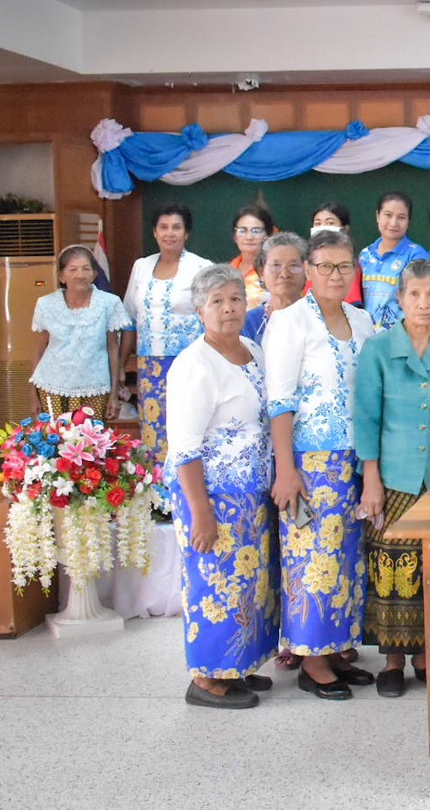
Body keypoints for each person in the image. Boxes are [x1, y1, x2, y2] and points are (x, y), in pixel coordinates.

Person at [352, 260, 430, 698]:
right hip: (393, 475)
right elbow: (366, 418)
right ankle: (391, 661)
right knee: (390, 567)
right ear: (400, 299)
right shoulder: (379, 349)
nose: (423, 303)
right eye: (414, 295)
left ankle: (425, 655)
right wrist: (371, 480)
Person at [265, 229, 377, 698]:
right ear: (308, 271)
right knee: (312, 559)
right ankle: (311, 658)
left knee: (347, 560)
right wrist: (286, 468)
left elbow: (370, 395)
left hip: (354, 461)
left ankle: (335, 647)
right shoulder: (290, 322)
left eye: (343, 266)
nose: (335, 274)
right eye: (325, 266)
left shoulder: (363, 320)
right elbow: (279, 401)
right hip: (310, 462)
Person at [166, 265, 279, 709]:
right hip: (210, 496)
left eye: (235, 298)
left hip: (249, 494)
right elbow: (185, 449)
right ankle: (207, 679)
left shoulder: (251, 348)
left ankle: (237, 668)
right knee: (214, 585)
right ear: (200, 310)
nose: (228, 308)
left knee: (246, 584)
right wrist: (202, 513)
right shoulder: (194, 365)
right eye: (217, 302)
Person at [124, 204, 214, 469]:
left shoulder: (201, 267)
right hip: (149, 368)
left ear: (186, 233)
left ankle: (188, 496)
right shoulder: (141, 266)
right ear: (154, 232)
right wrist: (121, 365)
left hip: (189, 364)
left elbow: (211, 319)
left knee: (188, 429)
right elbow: (130, 320)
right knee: (153, 433)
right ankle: (159, 502)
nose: (169, 233)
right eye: (163, 227)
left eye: (176, 227)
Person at [30, 245, 131, 419]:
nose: (80, 275)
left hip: (95, 387)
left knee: (91, 443)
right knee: (57, 441)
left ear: (94, 274)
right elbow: (39, 350)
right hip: (52, 386)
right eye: (73, 269)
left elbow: (113, 349)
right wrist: (32, 395)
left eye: (86, 269)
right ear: (62, 276)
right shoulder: (46, 305)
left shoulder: (109, 303)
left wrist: (114, 395)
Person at [359, 191, 427, 331]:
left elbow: (420, 300)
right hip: (364, 336)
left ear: (408, 221)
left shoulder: (416, 255)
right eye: (388, 215)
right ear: (377, 216)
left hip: (400, 336)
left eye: (401, 217)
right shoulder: (365, 255)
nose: (393, 223)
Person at [242, 232, 307, 346]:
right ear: (262, 272)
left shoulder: (319, 319)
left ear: (307, 272)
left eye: (293, 265)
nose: (285, 274)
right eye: (276, 265)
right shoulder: (247, 323)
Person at [311, 202, 362, 306]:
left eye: (330, 223)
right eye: (317, 224)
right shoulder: (308, 262)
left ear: (345, 229)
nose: (323, 228)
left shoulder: (350, 265)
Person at [230, 205, 275, 310]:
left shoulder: (275, 271)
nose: (249, 237)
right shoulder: (228, 270)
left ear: (268, 235)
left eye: (256, 231)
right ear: (235, 237)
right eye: (242, 230)